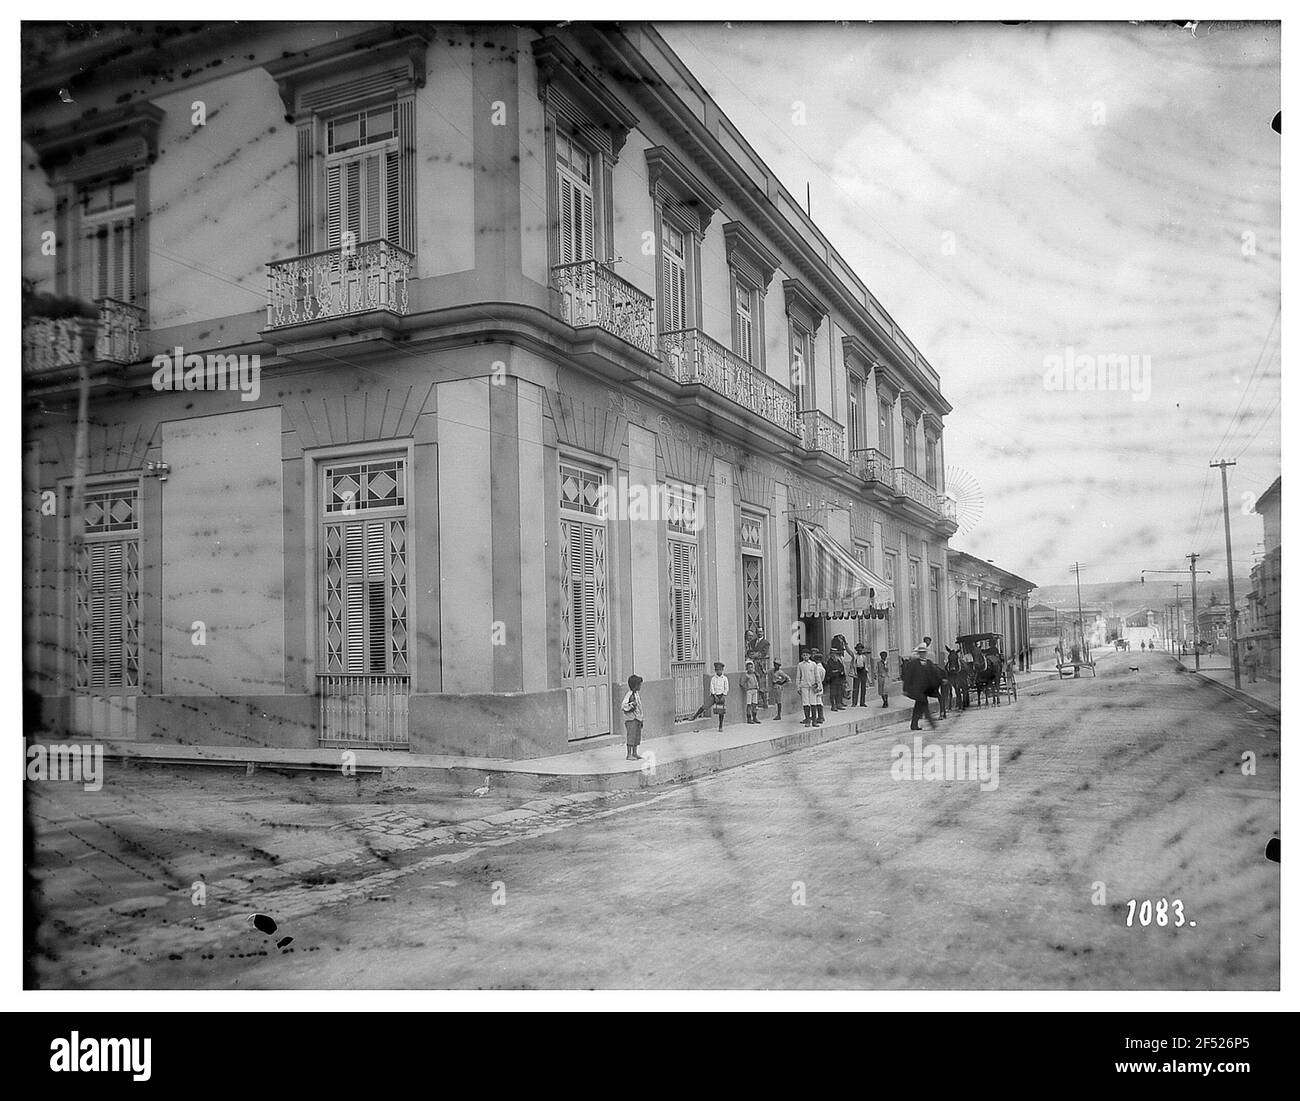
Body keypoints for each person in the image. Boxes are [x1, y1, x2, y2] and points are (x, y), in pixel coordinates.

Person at [904, 643, 938, 731]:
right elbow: (908, 676)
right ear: (919, 654)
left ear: (926, 653)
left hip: (925, 690)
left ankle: (914, 725)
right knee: (924, 704)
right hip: (916, 690)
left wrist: (941, 680)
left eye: (924, 652)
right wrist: (905, 689)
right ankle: (932, 723)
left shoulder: (929, 663)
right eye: (921, 653)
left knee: (918, 707)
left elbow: (935, 674)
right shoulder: (914, 664)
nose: (923, 654)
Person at [620, 675, 644, 761]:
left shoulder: (636, 694)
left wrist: (641, 719)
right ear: (634, 685)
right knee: (631, 736)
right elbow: (624, 706)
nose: (640, 686)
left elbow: (640, 707)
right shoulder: (629, 695)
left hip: (637, 719)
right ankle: (629, 754)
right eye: (639, 685)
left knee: (637, 736)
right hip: (631, 719)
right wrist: (631, 705)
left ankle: (635, 752)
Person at [795, 650, 819, 726]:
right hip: (804, 686)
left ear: (809, 655)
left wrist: (818, 685)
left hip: (812, 686)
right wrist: (798, 687)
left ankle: (814, 721)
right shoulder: (800, 665)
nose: (805, 656)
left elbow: (817, 675)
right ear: (802, 656)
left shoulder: (813, 664)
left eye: (807, 655)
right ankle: (807, 720)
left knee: (813, 703)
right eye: (804, 655)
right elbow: (798, 677)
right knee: (806, 703)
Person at [824, 644, 846, 711]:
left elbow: (841, 668)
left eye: (835, 654)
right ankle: (833, 705)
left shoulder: (838, 661)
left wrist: (839, 671)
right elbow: (829, 670)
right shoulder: (829, 661)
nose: (834, 655)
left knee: (839, 692)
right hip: (833, 679)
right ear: (831, 654)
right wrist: (836, 671)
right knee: (833, 693)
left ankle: (838, 704)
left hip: (839, 679)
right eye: (833, 653)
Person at [709, 662, 729, 732]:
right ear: (715, 670)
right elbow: (712, 687)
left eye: (720, 669)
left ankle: (720, 725)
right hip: (715, 695)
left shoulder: (725, 678)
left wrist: (724, 695)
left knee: (721, 711)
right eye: (717, 670)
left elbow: (726, 688)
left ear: (722, 670)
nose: (719, 671)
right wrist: (714, 695)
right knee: (707, 706)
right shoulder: (713, 679)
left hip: (722, 695)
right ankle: (695, 716)